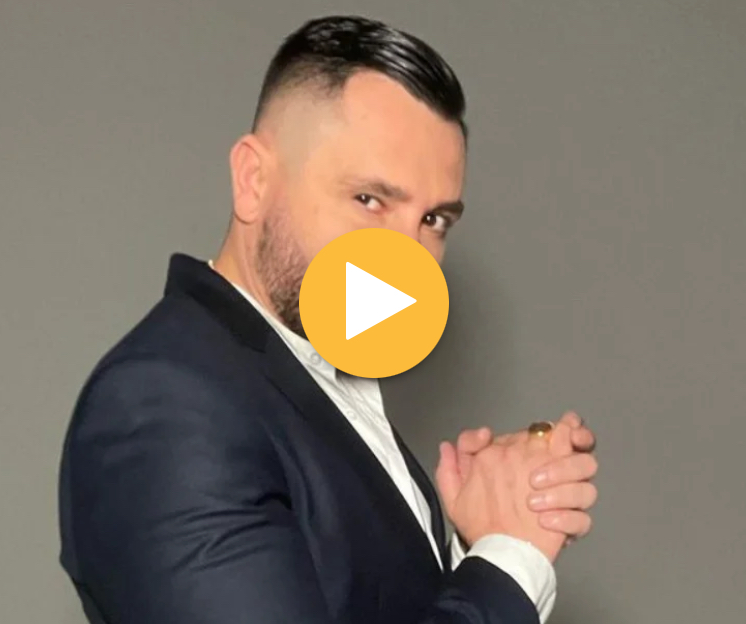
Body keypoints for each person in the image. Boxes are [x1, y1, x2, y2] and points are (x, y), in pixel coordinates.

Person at [57, 15, 599, 624]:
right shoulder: (163, 405)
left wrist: (475, 543)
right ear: (253, 180)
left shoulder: (324, 384)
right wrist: (511, 558)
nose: (407, 259)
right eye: (370, 200)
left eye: (434, 221)